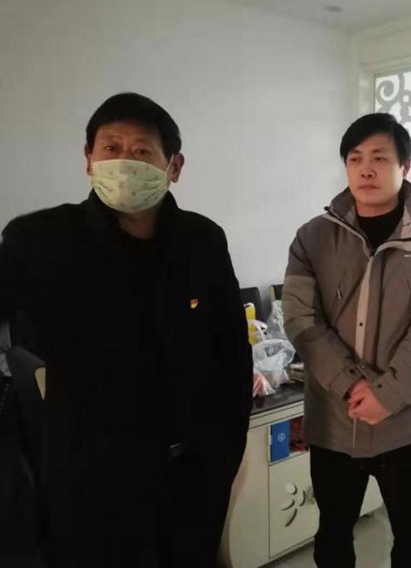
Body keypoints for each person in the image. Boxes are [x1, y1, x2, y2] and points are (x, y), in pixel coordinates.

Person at [0, 93, 254, 567]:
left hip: (190, 477)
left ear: (174, 166)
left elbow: (233, 354)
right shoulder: (40, 241)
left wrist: (224, 454)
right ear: (88, 159)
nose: (123, 161)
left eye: (141, 151)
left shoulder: (202, 240)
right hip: (91, 486)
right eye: (110, 148)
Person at [282, 113, 411, 568]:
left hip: (409, 423)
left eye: (379, 158)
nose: (366, 168)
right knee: (333, 538)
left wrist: (391, 393)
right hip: (335, 419)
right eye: (355, 158)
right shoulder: (312, 237)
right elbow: (300, 317)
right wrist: (348, 383)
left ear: (405, 166)